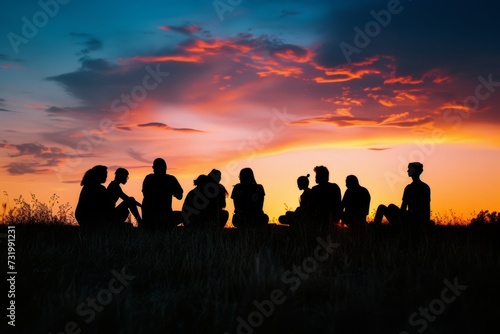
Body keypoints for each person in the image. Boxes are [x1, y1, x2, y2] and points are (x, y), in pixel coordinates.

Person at [374, 162, 432, 227]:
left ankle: (375, 230)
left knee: (381, 207)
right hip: (413, 219)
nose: (408, 170)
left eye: (410, 169)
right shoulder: (424, 187)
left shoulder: (410, 188)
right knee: (391, 206)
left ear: (414, 171)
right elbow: (427, 207)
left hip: (410, 221)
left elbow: (404, 207)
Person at [141, 158, 183, 229]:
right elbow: (179, 196)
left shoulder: (149, 178)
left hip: (151, 217)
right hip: (158, 217)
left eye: (154, 167)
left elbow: (179, 195)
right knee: (185, 216)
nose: (153, 169)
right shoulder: (170, 179)